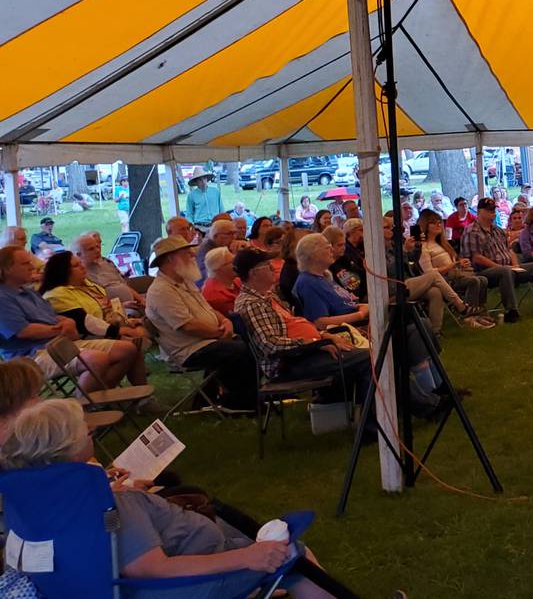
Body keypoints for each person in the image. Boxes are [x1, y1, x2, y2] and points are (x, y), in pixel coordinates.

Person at [0, 399, 360, 599]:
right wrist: (248, 557)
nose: (91, 430)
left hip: (151, 574)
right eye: (84, 429)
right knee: (295, 557)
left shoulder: (38, 499)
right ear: (70, 447)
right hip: (177, 582)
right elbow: (148, 569)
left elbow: (108, 543)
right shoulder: (109, 507)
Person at [232, 248, 372, 408]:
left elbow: (296, 326)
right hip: (290, 363)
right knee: (369, 358)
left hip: (307, 353)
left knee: (368, 354)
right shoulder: (252, 304)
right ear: (253, 273)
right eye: (266, 265)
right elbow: (270, 345)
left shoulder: (267, 296)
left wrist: (325, 336)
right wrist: (315, 344)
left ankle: (351, 407)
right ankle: (372, 425)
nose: (273, 268)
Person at [1, 247, 139, 398]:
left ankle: (97, 400)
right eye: (25, 263)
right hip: (32, 356)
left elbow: (53, 317)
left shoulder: (29, 292)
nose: (32, 267)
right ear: (7, 269)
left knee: (128, 349)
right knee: (96, 360)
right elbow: (25, 331)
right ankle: (82, 409)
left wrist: (65, 322)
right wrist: (61, 328)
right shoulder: (3, 298)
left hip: (60, 343)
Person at [143, 235, 257, 411]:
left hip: (206, 341)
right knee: (241, 350)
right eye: (186, 253)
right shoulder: (161, 290)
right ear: (170, 259)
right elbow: (187, 326)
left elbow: (210, 311)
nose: (193, 255)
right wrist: (220, 334)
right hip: (188, 349)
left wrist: (225, 321)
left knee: (249, 343)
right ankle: (241, 403)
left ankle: (236, 399)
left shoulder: (185, 282)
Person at [458, 198, 533, 321]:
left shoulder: (497, 230)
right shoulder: (471, 231)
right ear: (480, 211)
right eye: (489, 210)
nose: (493, 212)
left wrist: (516, 265)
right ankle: (511, 310)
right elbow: (476, 258)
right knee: (505, 271)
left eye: (493, 209)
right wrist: (499, 267)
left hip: (508, 267)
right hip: (485, 271)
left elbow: (509, 250)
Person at [380, 216, 482, 335]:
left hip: (409, 283)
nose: (391, 230)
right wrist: (405, 251)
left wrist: (417, 246)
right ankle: (461, 306)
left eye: (391, 227)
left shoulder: (393, 244)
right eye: (386, 228)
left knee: (435, 292)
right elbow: (391, 269)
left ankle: (434, 331)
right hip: (394, 288)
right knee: (433, 275)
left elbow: (412, 261)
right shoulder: (377, 250)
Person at [291, 234, 370, 330]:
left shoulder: (323, 276)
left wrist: (362, 308)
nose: (332, 250)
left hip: (359, 319)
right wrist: (360, 314)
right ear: (314, 255)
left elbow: (344, 304)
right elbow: (321, 323)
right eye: (327, 248)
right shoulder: (308, 283)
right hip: (352, 329)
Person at [415, 209, 488, 310]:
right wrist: (454, 265)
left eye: (439, 222)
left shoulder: (443, 244)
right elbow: (429, 273)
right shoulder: (424, 247)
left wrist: (460, 263)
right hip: (444, 281)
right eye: (433, 223)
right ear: (425, 225)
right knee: (474, 281)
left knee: (483, 280)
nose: (438, 225)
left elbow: (454, 263)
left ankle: (479, 309)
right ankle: (468, 312)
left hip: (456, 275)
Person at [72, 231, 144, 309]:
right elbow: (94, 305)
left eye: (98, 245)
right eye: (91, 249)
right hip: (114, 311)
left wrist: (142, 300)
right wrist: (121, 306)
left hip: (130, 304)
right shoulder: (80, 275)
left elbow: (124, 285)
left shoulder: (107, 263)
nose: (98, 250)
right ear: (78, 255)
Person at [195, 213, 237, 284]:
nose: (234, 237)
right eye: (229, 234)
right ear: (216, 236)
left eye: (234, 233)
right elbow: (208, 276)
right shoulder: (207, 251)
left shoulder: (224, 246)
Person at [201, 247, 239, 314]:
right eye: (232, 262)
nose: (237, 264)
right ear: (218, 268)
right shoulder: (215, 296)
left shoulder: (235, 280)